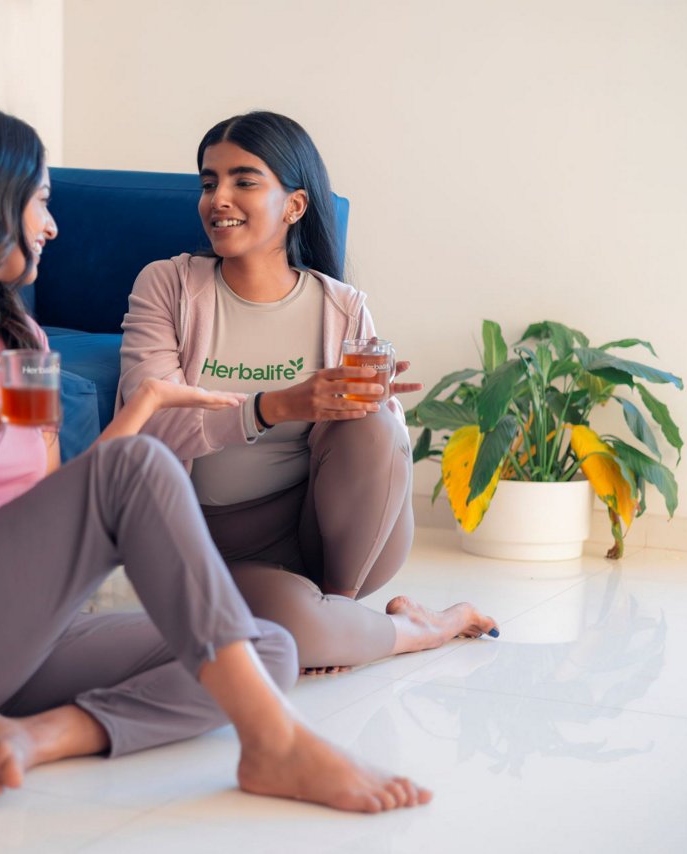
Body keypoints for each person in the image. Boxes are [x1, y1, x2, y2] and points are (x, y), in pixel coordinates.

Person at [0, 102, 434, 812]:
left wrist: (142, 412)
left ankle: (31, 738)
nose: (51, 225)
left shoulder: (21, 342)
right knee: (152, 493)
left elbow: (46, 503)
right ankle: (274, 744)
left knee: (269, 649)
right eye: (39, 201)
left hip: (6, 643)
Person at [118, 111, 498, 675]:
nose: (217, 198)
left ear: (294, 206)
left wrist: (381, 407)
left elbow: (375, 451)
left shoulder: (342, 306)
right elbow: (150, 423)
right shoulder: (167, 285)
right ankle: (424, 625)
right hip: (214, 546)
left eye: (244, 181)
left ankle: (339, 609)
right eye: (208, 182)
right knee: (294, 638)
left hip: (328, 533)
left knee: (369, 420)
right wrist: (274, 407)